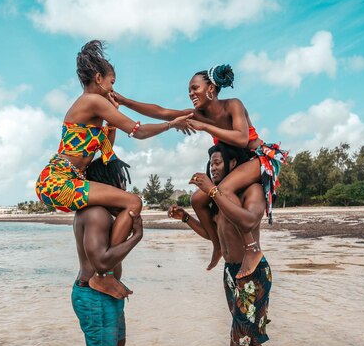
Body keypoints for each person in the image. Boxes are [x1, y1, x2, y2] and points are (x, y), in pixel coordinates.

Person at [35, 40, 193, 295]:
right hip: (58, 181)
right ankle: (102, 273)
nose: (112, 88)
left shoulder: (96, 108)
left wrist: (111, 120)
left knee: (121, 209)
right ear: (98, 78)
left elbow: (106, 148)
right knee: (133, 203)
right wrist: (171, 125)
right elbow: (138, 131)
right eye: (111, 82)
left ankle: (103, 267)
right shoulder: (90, 101)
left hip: (65, 180)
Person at [113, 64, 286, 278]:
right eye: (189, 90)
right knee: (197, 199)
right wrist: (124, 101)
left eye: (195, 88)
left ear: (211, 88)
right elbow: (162, 111)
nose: (191, 94)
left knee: (223, 188)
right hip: (236, 164)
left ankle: (252, 249)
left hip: (256, 158)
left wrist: (206, 127)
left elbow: (242, 139)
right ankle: (217, 246)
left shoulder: (233, 105)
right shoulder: (198, 114)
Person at [169, 143, 274, 346]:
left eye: (218, 163)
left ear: (232, 165)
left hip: (252, 273)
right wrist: (186, 219)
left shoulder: (250, 190)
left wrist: (214, 190)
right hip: (231, 273)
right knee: (248, 340)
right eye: (211, 164)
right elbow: (213, 234)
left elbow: (249, 221)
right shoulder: (217, 199)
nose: (213, 168)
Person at [72, 157, 143, 346]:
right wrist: (137, 237)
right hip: (93, 296)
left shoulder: (102, 211)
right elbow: (101, 263)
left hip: (106, 294)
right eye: (121, 180)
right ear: (110, 182)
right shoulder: (96, 213)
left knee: (117, 345)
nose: (123, 186)